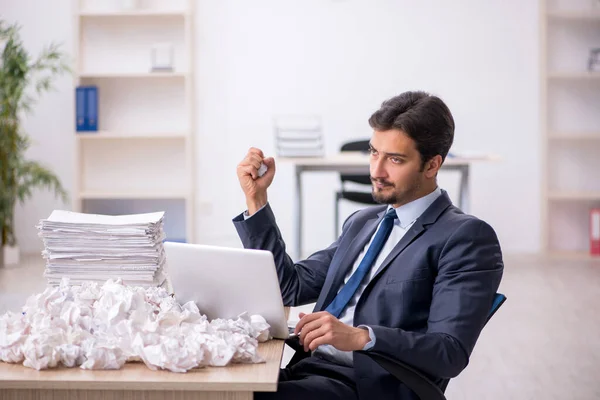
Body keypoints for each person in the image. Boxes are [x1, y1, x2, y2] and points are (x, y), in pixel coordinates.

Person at [233, 91, 503, 400]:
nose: (376, 171)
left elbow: (449, 351)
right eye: (375, 153)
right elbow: (289, 287)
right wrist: (256, 198)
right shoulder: (364, 222)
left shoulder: (465, 237)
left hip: (369, 386)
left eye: (395, 159)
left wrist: (362, 337)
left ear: (432, 165)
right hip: (309, 367)